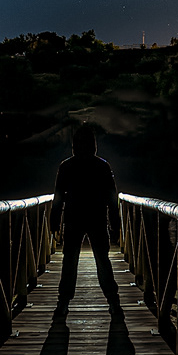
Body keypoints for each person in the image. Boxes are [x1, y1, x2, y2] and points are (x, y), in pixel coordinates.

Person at [52, 125, 120, 299]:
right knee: (102, 258)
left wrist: (54, 221)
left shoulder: (66, 166)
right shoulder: (102, 166)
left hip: (73, 218)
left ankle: (64, 299)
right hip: (97, 217)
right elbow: (112, 198)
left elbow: (58, 197)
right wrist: (115, 223)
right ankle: (112, 298)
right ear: (94, 145)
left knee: (70, 259)